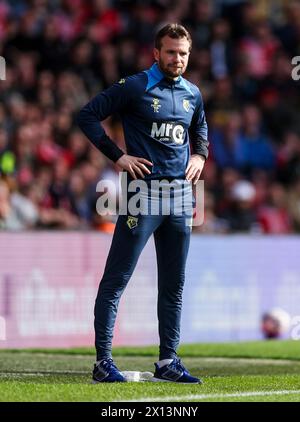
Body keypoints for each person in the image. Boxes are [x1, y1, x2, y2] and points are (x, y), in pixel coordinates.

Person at [78, 23, 209, 383]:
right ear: (156, 53)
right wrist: (118, 157)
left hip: (182, 197)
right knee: (116, 281)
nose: (177, 59)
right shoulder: (136, 86)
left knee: (174, 284)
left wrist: (200, 154)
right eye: (170, 52)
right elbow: (87, 115)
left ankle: (168, 361)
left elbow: (200, 127)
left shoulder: (192, 93)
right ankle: (103, 362)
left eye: (183, 53)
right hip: (142, 195)